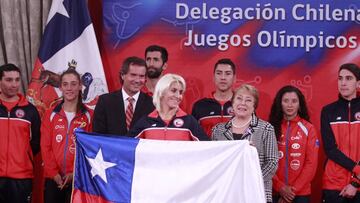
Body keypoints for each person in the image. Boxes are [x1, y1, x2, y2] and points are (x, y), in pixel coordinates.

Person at [212, 84, 278, 203]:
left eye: (248, 100)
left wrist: (252, 179)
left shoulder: (266, 128)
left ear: (254, 106)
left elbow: (272, 163)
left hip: (257, 190)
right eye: (239, 98)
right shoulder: (218, 130)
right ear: (233, 102)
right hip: (226, 192)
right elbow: (214, 162)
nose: (243, 103)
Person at [41, 69, 92, 203]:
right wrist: (54, 174)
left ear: (80, 86)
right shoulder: (50, 114)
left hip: (79, 179)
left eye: (74, 84)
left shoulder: (89, 116)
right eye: (65, 84)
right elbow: (45, 146)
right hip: (53, 179)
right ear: (60, 87)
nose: (69, 88)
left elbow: (90, 150)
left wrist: (75, 174)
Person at [269, 85, 319, 203]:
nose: (290, 105)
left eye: (294, 101)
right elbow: (266, 162)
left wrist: (291, 191)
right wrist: (280, 187)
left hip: (301, 194)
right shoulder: (270, 128)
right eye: (286, 101)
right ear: (279, 103)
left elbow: (311, 164)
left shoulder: (309, 128)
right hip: (275, 192)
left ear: (299, 104)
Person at [0, 63, 41, 202]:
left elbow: (36, 143)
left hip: (21, 178)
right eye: (9, 80)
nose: (14, 84)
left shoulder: (30, 111)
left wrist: (21, 157)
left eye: (17, 80)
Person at [321, 63, 360, 203]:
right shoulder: (328, 111)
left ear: (358, 83)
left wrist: (356, 182)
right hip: (333, 184)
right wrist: (357, 168)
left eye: (349, 78)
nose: (343, 83)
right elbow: (330, 149)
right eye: (340, 78)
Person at [128, 73, 209, 141]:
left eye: (180, 92)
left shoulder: (189, 121)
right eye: (173, 91)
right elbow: (124, 145)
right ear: (162, 92)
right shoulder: (146, 121)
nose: (178, 96)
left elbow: (208, 147)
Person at [93, 56, 154, 135]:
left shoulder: (152, 104)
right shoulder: (105, 101)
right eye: (133, 75)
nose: (137, 80)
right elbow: (97, 136)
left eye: (141, 76)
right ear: (122, 75)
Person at [192, 58, 236, 137]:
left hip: (236, 150)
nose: (223, 77)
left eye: (228, 73)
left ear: (234, 78)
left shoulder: (242, 105)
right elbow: (192, 137)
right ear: (213, 77)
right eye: (219, 73)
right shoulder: (200, 105)